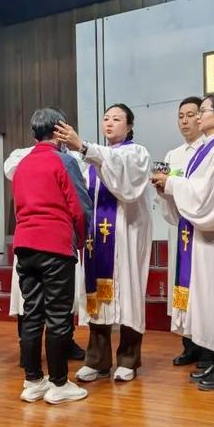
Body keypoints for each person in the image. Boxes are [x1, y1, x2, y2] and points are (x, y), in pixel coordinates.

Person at [151, 93, 214, 391]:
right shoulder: (207, 150)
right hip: (203, 242)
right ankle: (213, 361)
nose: (196, 117)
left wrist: (172, 184)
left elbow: (207, 197)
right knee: (208, 302)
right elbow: (194, 188)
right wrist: (168, 188)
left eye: (203, 111)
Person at [54, 103, 152, 383]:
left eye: (117, 119)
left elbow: (125, 182)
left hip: (126, 234)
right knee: (95, 294)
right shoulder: (92, 157)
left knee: (129, 292)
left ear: (130, 126)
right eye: (106, 118)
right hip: (96, 238)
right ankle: (97, 360)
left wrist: (85, 148)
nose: (109, 123)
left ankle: (129, 359)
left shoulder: (137, 153)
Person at [11, 108, 93, 404]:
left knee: (32, 313)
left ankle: (33, 380)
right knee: (59, 316)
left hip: (25, 244)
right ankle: (59, 384)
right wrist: (80, 241)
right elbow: (80, 206)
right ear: (59, 132)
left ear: (34, 133)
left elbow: (18, 207)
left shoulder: (21, 165)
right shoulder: (65, 160)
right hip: (55, 244)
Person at [157, 97, 210, 368]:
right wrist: (163, 192)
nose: (185, 120)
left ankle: (206, 347)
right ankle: (188, 345)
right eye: (181, 116)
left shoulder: (210, 151)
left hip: (201, 231)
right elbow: (169, 199)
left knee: (200, 289)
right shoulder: (172, 156)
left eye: (191, 115)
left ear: (201, 118)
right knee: (182, 287)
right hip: (180, 231)